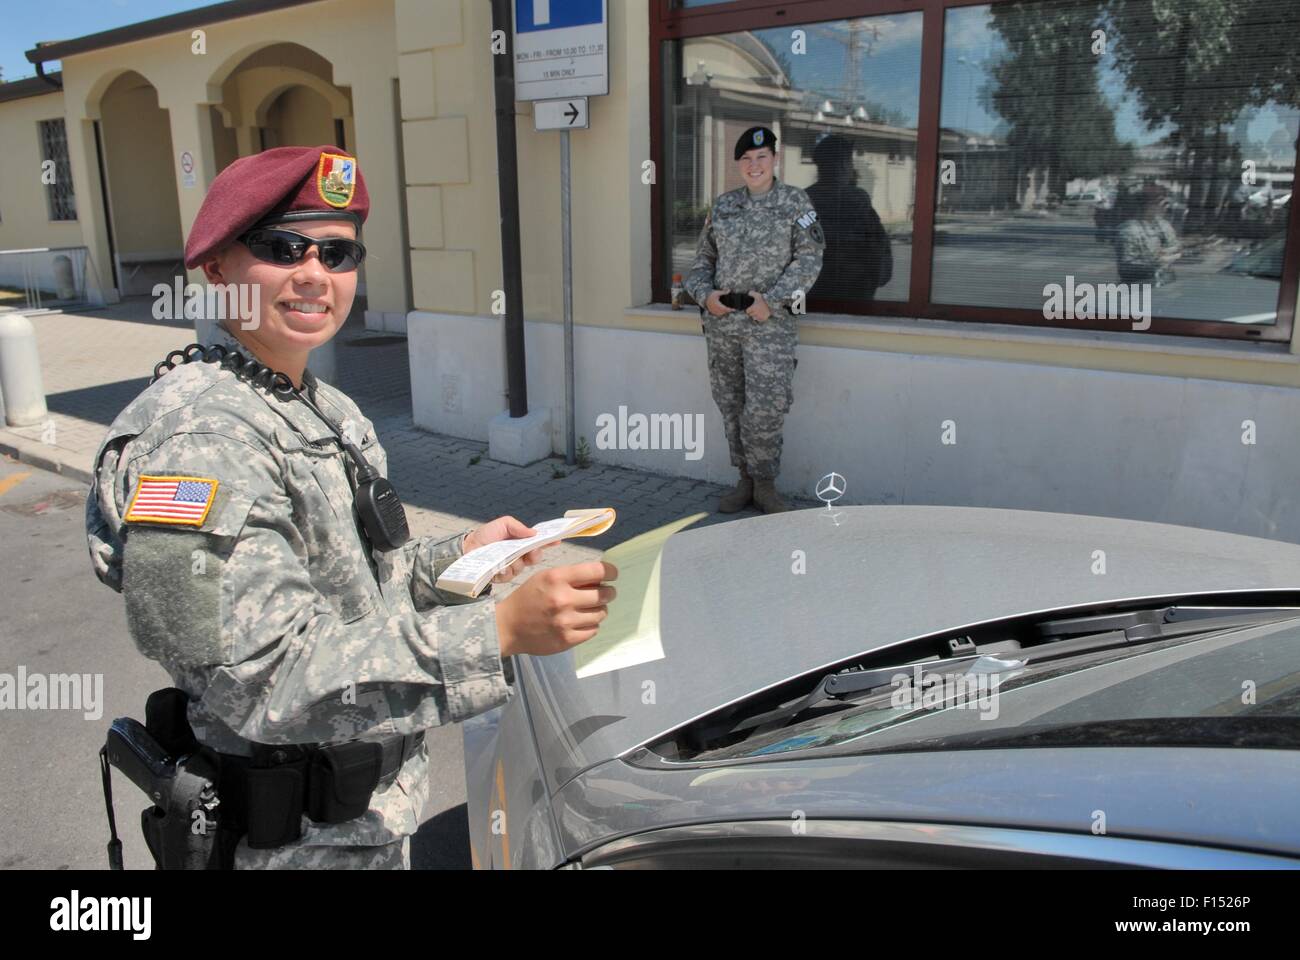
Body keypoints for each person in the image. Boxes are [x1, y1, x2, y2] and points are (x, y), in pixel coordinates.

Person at [85, 145, 618, 869]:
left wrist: (461, 559)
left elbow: (358, 591)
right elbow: (263, 682)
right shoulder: (200, 438)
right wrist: (493, 633)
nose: (314, 274)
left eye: (337, 254)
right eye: (282, 248)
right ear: (216, 268)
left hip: (363, 822)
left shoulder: (324, 407)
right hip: (285, 845)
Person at [685, 126, 824, 514]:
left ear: (775, 159)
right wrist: (705, 297)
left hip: (770, 328)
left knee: (766, 406)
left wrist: (774, 300)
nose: (754, 165)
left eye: (761, 158)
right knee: (731, 403)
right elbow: (702, 263)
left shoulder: (796, 203)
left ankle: (765, 485)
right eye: (746, 159)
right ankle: (744, 480)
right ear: (738, 165)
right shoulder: (724, 206)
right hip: (724, 325)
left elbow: (809, 260)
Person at [805, 134, 892, 303]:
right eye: (849, 162)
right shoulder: (857, 200)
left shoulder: (804, 199)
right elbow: (879, 247)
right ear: (844, 164)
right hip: (853, 296)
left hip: (813, 298)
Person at [1114, 182, 1181, 286]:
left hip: (1165, 281)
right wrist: (1158, 261)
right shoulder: (1130, 230)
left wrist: (1171, 252)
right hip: (1139, 286)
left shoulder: (1163, 225)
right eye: (1159, 202)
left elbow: (1175, 246)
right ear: (1147, 205)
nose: (1165, 206)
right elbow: (1126, 267)